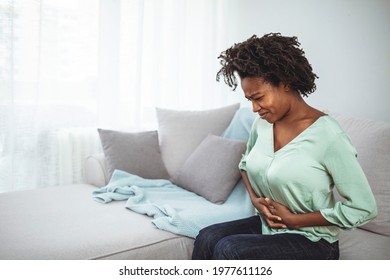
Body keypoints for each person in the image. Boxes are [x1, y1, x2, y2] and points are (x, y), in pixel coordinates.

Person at [191, 33, 378, 260]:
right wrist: (255, 201)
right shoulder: (263, 124)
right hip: (271, 227)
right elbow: (245, 163)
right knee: (207, 237)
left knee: (230, 249)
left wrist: (294, 220)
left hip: (314, 240)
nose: (254, 108)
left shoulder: (328, 135)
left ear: (285, 82)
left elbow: (363, 208)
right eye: (249, 99)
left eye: (258, 97)